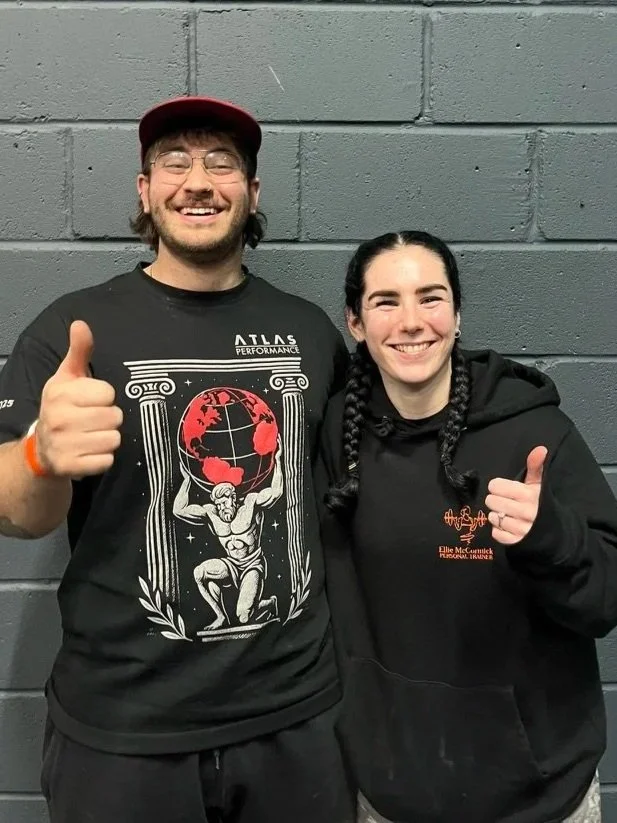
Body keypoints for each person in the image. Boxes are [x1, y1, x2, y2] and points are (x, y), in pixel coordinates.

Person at [0, 95, 353, 823]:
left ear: (252, 194)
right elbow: (18, 513)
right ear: (144, 189)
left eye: (222, 163)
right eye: (174, 161)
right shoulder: (74, 330)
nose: (198, 181)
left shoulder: (308, 332)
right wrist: (40, 454)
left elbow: (331, 493)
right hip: (123, 733)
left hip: (295, 724)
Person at [319, 230, 615, 823]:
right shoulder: (334, 433)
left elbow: (607, 599)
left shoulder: (533, 432)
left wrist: (549, 538)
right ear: (355, 323)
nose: (410, 321)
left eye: (431, 298)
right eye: (385, 302)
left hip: (538, 798)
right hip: (391, 794)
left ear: (457, 314)